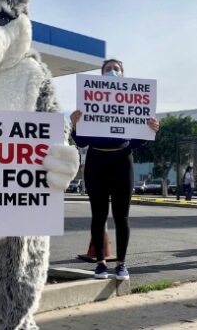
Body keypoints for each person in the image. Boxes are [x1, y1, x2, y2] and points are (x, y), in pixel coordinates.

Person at [70, 59, 160, 280]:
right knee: (98, 216)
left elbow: (136, 142)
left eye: (116, 69)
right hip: (96, 161)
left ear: (123, 76)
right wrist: (74, 124)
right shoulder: (89, 103)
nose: (112, 72)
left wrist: (150, 130)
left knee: (122, 217)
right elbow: (81, 142)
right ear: (101, 75)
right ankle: (100, 263)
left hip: (123, 161)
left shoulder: (132, 104)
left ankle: (121, 264)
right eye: (108, 69)